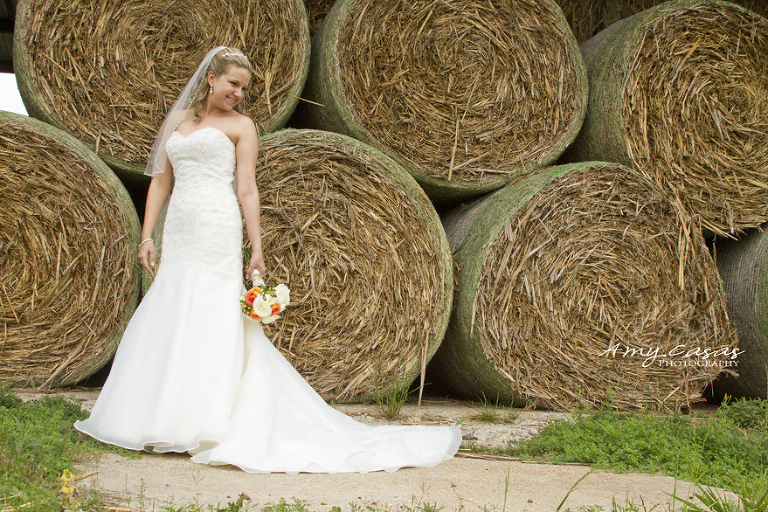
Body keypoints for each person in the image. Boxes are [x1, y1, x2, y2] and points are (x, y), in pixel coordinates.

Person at [75, 46, 462, 473]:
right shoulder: (178, 120)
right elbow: (162, 181)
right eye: (233, 84)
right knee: (173, 302)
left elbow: (246, 188)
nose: (239, 94)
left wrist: (256, 246)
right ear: (211, 78)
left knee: (213, 310)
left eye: (244, 88)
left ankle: (208, 419)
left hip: (218, 225)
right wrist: (148, 234)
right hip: (180, 227)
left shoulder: (243, 126)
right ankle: (159, 415)